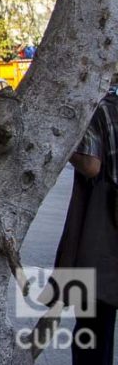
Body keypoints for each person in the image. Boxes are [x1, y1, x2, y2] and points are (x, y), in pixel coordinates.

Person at [54, 81, 118, 364]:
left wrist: (64, 147)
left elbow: (92, 166)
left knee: (93, 333)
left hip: (104, 234)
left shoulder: (101, 108)